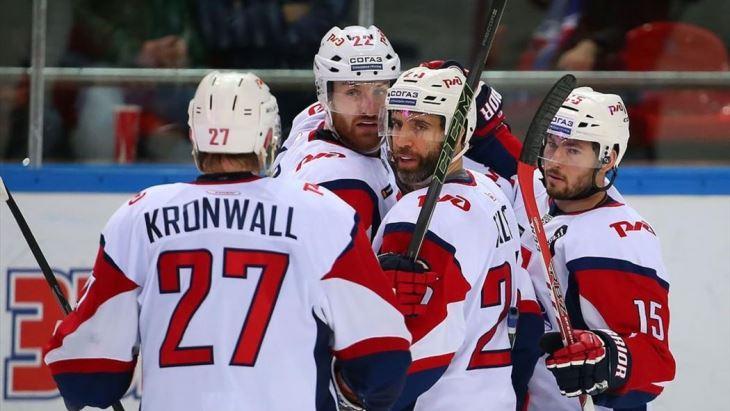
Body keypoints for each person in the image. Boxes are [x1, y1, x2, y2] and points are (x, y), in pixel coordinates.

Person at [42, 71, 411, 411]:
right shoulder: (324, 214)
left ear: (193, 135)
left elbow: (88, 376)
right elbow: (384, 360)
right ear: (268, 137)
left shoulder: (138, 217)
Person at [372, 65, 542, 410]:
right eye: (397, 124)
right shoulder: (491, 193)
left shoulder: (415, 215)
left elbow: (425, 352)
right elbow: (528, 323)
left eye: (421, 126)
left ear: (459, 132)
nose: (402, 141)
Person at [522, 87, 676, 410]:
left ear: (608, 159)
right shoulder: (539, 189)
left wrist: (609, 358)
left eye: (573, 150)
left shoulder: (616, 241)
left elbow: (655, 362)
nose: (555, 160)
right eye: (552, 143)